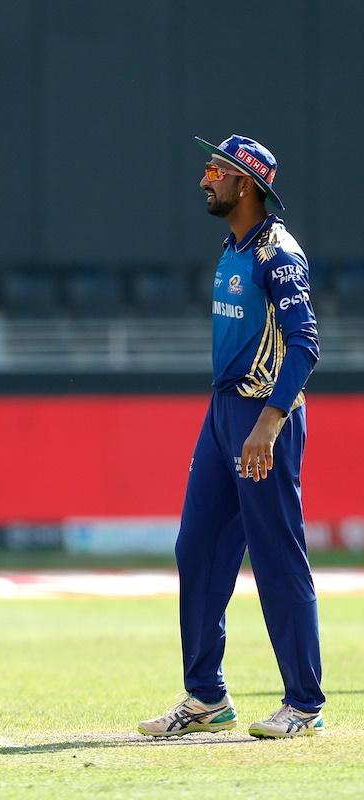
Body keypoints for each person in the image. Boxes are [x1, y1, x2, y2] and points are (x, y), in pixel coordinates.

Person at [139, 135, 324, 740]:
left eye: (215, 170)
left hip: (261, 418)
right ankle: (206, 698)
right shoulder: (234, 246)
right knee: (196, 550)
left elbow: (306, 344)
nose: (204, 178)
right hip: (222, 415)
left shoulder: (279, 255)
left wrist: (269, 424)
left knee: (276, 556)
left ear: (246, 183)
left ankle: (304, 703)